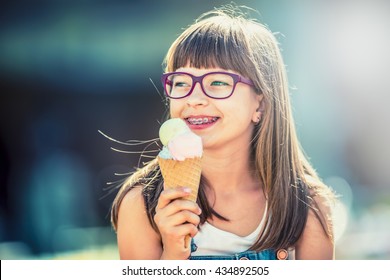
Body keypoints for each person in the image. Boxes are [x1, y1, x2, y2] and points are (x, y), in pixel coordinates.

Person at [110, 5, 337, 260]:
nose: (193, 99)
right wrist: (173, 253)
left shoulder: (307, 207)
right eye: (181, 82)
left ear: (260, 102)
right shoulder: (141, 204)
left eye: (218, 82)